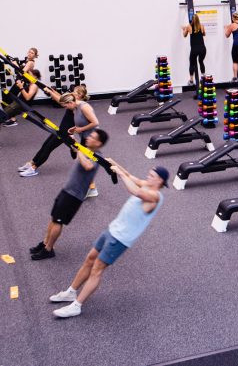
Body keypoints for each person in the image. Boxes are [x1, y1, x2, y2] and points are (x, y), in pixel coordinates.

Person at [49, 162, 166, 318]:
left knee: (97, 269)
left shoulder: (155, 196)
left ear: (160, 181)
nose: (147, 176)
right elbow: (131, 177)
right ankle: (71, 292)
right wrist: (114, 164)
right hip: (112, 230)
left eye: (152, 175)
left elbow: (136, 191)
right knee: (90, 259)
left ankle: (77, 306)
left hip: (121, 238)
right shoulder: (147, 185)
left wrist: (120, 173)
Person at [29, 129, 109, 261]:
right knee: (54, 218)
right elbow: (76, 153)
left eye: (92, 137)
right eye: (90, 135)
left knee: (58, 221)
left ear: (99, 143)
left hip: (74, 195)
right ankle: (44, 243)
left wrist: (79, 150)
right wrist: (73, 142)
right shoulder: (86, 151)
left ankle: (49, 249)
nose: (88, 138)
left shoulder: (97, 157)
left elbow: (88, 166)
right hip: (67, 190)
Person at [18, 89, 79, 176]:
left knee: (48, 148)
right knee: (45, 145)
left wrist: (74, 131)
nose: (65, 107)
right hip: (60, 130)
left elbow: (85, 122)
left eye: (65, 106)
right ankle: (31, 163)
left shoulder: (77, 108)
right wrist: (52, 92)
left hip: (65, 134)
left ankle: (33, 168)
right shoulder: (71, 104)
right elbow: (60, 99)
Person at [2, 47, 38, 125]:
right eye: (29, 52)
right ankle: (11, 118)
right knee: (8, 97)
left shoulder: (30, 62)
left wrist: (15, 64)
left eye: (32, 53)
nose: (30, 54)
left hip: (21, 83)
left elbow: (22, 72)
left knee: (7, 97)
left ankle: (12, 119)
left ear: (35, 56)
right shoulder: (26, 61)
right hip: (19, 82)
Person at [182, 13, 206, 86]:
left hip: (194, 49)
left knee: (192, 63)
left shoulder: (189, 26)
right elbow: (204, 34)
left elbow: (184, 35)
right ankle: (203, 77)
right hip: (202, 49)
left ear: (192, 20)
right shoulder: (201, 26)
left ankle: (191, 80)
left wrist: (184, 29)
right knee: (201, 61)